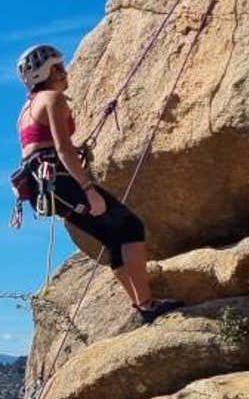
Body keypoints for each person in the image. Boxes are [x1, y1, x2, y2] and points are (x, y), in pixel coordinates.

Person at [14, 44, 181, 321]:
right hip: (60, 179)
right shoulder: (53, 99)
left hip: (42, 184)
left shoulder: (26, 108)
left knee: (114, 237)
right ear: (46, 72)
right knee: (130, 226)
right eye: (58, 67)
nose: (65, 72)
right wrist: (89, 190)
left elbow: (39, 148)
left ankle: (142, 305)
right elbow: (63, 149)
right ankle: (148, 304)